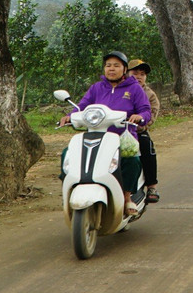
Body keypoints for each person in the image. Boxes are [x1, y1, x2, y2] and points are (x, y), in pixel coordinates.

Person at [58, 51, 152, 212]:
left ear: (124, 69)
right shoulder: (97, 88)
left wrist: (140, 116)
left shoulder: (134, 88)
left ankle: (127, 197)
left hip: (122, 137)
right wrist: (69, 116)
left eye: (116, 65)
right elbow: (82, 107)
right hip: (95, 135)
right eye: (108, 65)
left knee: (132, 160)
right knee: (68, 153)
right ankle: (71, 188)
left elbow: (146, 110)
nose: (111, 69)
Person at [126, 59, 161, 203]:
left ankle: (152, 186)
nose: (139, 77)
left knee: (147, 147)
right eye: (135, 73)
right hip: (114, 130)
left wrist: (138, 123)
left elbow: (151, 116)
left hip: (137, 132)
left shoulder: (149, 94)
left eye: (142, 74)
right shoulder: (117, 89)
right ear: (126, 73)